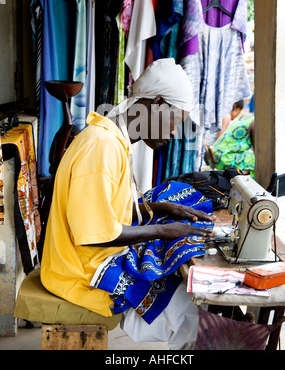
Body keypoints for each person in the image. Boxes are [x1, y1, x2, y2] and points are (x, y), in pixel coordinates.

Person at [40, 59, 215, 349]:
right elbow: (96, 235)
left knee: (177, 279)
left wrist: (161, 210)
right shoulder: (102, 146)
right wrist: (164, 231)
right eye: (175, 121)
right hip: (79, 273)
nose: (173, 134)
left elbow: (106, 209)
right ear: (157, 104)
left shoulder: (111, 138)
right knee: (190, 315)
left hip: (85, 260)